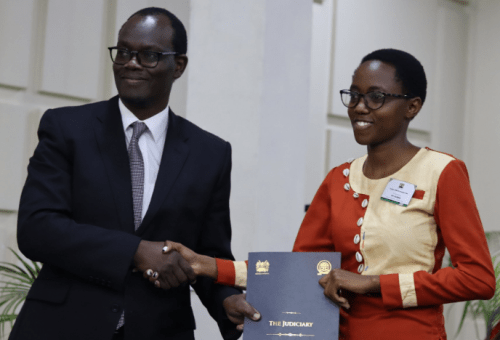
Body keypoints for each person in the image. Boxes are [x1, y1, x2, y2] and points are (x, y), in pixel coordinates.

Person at [161, 49, 496, 339]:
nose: (359, 107)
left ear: (412, 107)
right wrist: (204, 265)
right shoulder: (340, 178)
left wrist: (375, 283)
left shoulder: (441, 171)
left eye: (375, 97)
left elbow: (478, 279)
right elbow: (299, 271)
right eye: (353, 95)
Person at [11, 7, 257, 340]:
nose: (131, 63)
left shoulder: (210, 153)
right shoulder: (67, 128)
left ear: (178, 66)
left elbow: (209, 254)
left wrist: (226, 299)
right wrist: (137, 252)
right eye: (124, 52)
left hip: (160, 330)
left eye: (149, 55)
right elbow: (37, 228)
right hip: (63, 326)